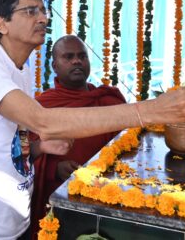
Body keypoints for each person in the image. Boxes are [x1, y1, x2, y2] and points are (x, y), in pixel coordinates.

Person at [0, 0, 185, 240]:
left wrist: (39, 148)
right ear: (2, 24)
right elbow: (41, 121)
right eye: (30, 11)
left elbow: (6, 138)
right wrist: (153, 110)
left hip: (14, 218)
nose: (43, 18)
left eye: (43, 10)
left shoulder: (19, 67)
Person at [30, 35, 126, 232]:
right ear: (55, 66)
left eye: (82, 56)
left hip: (109, 196)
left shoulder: (109, 100)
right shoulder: (42, 107)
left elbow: (129, 146)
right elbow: (23, 155)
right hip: (61, 201)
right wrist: (54, 169)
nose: (77, 61)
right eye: (68, 57)